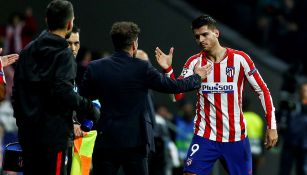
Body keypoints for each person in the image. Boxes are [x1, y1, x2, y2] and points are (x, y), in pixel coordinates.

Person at [79, 21, 211, 175]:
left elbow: (83, 100)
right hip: (136, 143)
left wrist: (87, 120)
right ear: (134, 44)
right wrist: (197, 77)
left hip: (106, 139)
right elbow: (173, 86)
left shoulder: (95, 67)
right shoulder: (141, 67)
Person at [155, 14, 278, 175]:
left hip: (235, 138)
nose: (201, 40)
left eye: (205, 34)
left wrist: (272, 126)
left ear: (216, 33)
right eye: (197, 37)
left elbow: (263, 91)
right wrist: (168, 70)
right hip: (205, 136)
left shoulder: (241, 59)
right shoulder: (193, 62)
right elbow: (176, 96)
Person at [12, 1, 99, 174]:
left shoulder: (28, 50)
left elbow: (16, 91)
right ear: (70, 24)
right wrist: (90, 108)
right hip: (53, 139)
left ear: (46, 19)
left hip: (28, 137)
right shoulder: (63, 54)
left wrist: (22, 122)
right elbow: (63, 92)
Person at [278, 82, 307, 175]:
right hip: (290, 143)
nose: (305, 92)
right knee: (284, 170)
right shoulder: (292, 105)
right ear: (300, 92)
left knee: (302, 171)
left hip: (304, 146)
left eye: (306, 90)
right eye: (303, 90)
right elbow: (281, 118)